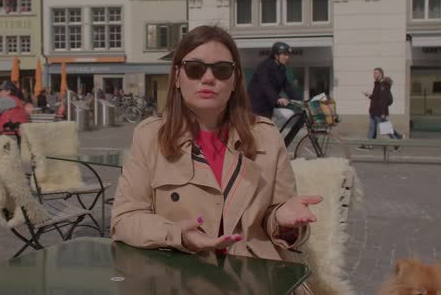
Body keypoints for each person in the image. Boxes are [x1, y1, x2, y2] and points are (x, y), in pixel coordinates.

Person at [110, 26, 321, 294]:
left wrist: (283, 221)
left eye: (221, 70)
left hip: (256, 278)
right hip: (180, 277)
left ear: (234, 80)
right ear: (177, 76)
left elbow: (278, 218)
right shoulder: (150, 136)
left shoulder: (266, 136)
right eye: (195, 69)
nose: (208, 78)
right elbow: (125, 220)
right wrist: (178, 235)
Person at [248, 42, 302, 126]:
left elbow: (287, 86)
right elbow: (266, 85)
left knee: (289, 114)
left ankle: (272, 132)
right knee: (260, 129)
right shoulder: (264, 66)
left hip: (269, 106)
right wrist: (277, 98)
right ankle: (269, 133)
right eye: (284, 55)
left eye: (288, 55)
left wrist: (299, 99)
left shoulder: (281, 68)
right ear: (276, 55)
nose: (287, 57)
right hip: (256, 107)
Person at [359, 68, 403, 150]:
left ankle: (397, 142)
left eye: (375, 73)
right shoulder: (378, 84)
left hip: (379, 112)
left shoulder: (383, 85)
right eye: (373, 73)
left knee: (386, 129)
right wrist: (369, 95)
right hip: (374, 111)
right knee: (372, 129)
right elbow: (376, 98)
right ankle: (368, 145)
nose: (374, 75)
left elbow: (383, 100)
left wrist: (383, 113)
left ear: (380, 74)